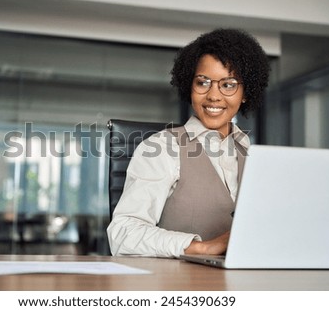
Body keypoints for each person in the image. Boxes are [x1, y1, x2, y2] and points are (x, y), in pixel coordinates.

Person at [106, 28, 270, 258]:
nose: (214, 95)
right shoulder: (162, 148)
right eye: (203, 83)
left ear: (245, 93)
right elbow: (122, 235)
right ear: (189, 86)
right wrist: (201, 247)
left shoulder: (254, 153)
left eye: (228, 84)